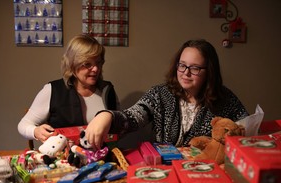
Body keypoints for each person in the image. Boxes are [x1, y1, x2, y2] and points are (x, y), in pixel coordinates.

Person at [85, 39, 249, 149]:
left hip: (205, 173)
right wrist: (107, 116)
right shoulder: (160, 94)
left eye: (195, 68)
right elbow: (133, 117)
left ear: (209, 72)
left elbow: (246, 129)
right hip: (164, 172)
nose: (186, 73)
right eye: (182, 65)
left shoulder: (225, 99)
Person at [18, 34, 119, 143]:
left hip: (102, 157)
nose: (95, 69)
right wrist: (36, 131)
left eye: (98, 63)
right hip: (64, 157)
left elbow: (119, 126)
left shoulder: (107, 90)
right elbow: (23, 125)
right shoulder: (53, 90)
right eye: (87, 64)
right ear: (73, 64)